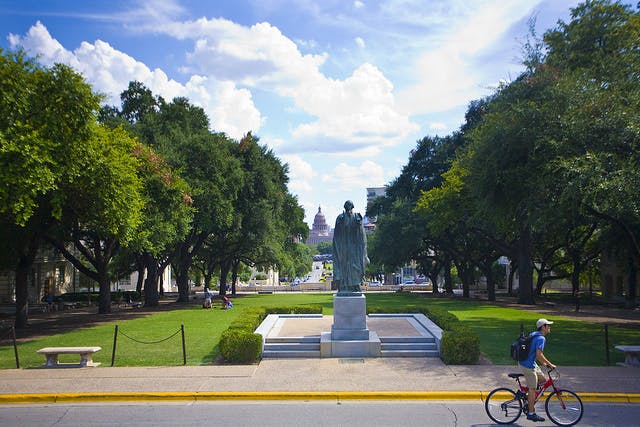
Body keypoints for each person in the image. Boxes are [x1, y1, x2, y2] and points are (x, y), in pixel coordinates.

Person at [519, 318, 556, 422]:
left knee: (543, 380)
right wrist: (550, 364)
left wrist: (544, 363)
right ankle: (531, 413)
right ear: (543, 327)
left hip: (529, 362)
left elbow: (534, 352)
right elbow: (539, 354)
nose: (549, 327)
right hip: (527, 365)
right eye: (548, 325)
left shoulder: (534, 334)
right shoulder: (541, 338)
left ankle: (524, 393)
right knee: (533, 389)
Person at [332, 200, 369, 293]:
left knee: (355, 266)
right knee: (343, 266)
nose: (348, 209)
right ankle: (343, 285)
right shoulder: (340, 218)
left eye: (350, 207)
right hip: (343, 247)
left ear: (352, 207)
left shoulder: (357, 217)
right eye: (347, 207)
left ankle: (356, 285)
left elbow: (362, 234)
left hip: (354, 247)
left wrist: (365, 254)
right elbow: (336, 234)